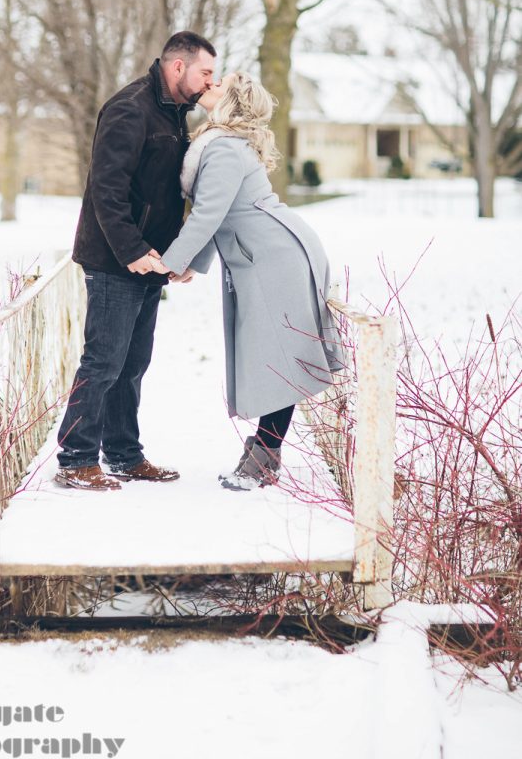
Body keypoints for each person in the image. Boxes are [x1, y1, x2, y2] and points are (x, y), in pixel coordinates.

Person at [152, 71, 345, 490]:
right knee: (276, 352)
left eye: (219, 83)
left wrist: (172, 263)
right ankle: (263, 450)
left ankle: (265, 458)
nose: (210, 84)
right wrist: (191, 264)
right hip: (268, 253)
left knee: (281, 354)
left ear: (233, 102)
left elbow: (207, 216)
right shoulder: (223, 144)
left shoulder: (223, 149)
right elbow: (215, 214)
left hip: (275, 259)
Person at [55, 31, 217, 490]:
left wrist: (172, 257)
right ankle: (75, 459)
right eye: (206, 72)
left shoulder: (173, 112)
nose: (210, 82)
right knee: (104, 361)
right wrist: (131, 252)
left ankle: (124, 454)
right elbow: (107, 191)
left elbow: (165, 194)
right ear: (178, 66)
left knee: (133, 362)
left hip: (150, 262)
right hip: (114, 259)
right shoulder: (131, 108)